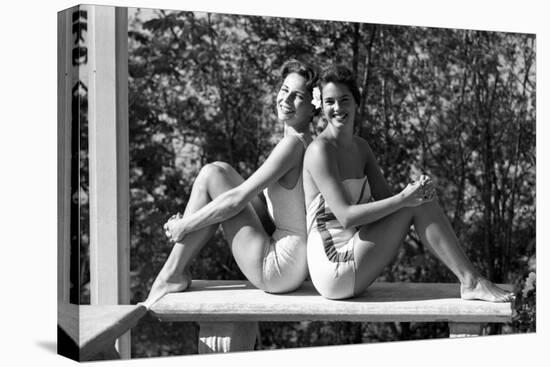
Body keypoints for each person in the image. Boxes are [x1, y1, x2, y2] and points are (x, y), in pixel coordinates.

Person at [303, 64, 515, 301]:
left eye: (344, 99)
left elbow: (387, 202)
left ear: (356, 102)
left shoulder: (362, 148)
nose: (338, 108)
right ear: (320, 105)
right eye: (329, 101)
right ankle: (472, 282)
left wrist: (415, 190)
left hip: (354, 254)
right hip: (332, 264)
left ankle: (472, 281)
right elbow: (346, 217)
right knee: (415, 203)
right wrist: (405, 198)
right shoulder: (319, 151)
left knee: (421, 201)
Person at [141, 60, 319, 308]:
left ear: (314, 107)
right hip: (292, 263)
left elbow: (237, 200)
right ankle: (173, 272)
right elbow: (260, 204)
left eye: (298, 96)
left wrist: (185, 225)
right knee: (217, 171)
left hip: (279, 268)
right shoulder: (307, 142)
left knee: (211, 177)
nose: (286, 100)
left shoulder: (293, 145)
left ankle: (170, 274)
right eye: (284, 90)